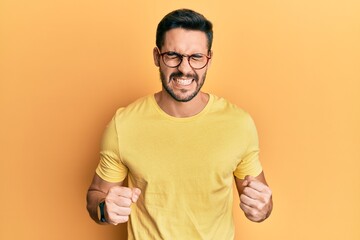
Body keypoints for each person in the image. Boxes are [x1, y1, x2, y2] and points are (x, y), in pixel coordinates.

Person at [86, 8, 273, 239]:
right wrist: (105, 209)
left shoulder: (239, 124)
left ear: (209, 60)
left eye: (196, 57)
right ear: (157, 56)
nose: (185, 68)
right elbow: (96, 195)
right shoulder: (124, 124)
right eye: (173, 55)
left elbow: (261, 199)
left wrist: (262, 208)